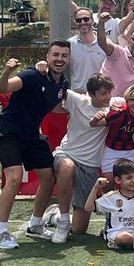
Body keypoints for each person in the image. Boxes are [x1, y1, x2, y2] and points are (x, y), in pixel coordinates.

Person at [0, 43, 69, 249]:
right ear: (48, 57)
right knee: (14, 177)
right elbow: (1, 89)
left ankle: (35, 224)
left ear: (69, 60)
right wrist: (6, 72)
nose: (60, 59)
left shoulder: (63, 84)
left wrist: (88, 109)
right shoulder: (32, 75)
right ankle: (0, 232)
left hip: (33, 136)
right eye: (56, 54)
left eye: (64, 55)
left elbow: (57, 106)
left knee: (48, 178)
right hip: (9, 133)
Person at [50, 74, 119, 244]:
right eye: (103, 93)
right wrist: (42, 66)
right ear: (91, 93)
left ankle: (53, 216)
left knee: (79, 229)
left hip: (90, 165)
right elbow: (54, 87)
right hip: (67, 153)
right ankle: (63, 221)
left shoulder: (115, 105)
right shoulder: (77, 100)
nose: (108, 97)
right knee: (67, 167)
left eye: (109, 92)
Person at [89, 157, 134, 251]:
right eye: (129, 178)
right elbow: (88, 208)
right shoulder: (112, 197)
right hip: (117, 233)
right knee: (123, 237)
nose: (133, 180)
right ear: (118, 180)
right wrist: (95, 188)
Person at [98, 24, 134, 97]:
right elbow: (102, 43)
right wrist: (101, 22)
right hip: (107, 100)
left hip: (127, 102)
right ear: (129, 40)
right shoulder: (118, 52)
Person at [67, 6, 107, 92]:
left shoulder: (105, 44)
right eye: (78, 20)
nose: (82, 22)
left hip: (99, 93)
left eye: (86, 19)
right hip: (77, 93)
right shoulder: (69, 44)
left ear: (92, 20)